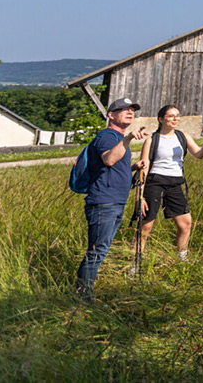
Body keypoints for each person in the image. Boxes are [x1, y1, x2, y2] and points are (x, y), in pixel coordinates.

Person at [75, 97, 147, 302]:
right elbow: (109, 159)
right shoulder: (108, 136)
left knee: (100, 249)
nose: (130, 112)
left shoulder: (117, 137)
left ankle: (82, 292)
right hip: (104, 202)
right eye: (123, 109)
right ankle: (83, 296)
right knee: (97, 250)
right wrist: (127, 139)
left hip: (113, 201)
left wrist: (133, 167)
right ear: (111, 115)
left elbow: (113, 166)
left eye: (132, 109)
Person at [133, 104, 203, 262]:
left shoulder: (183, 137)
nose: (175, 119)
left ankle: (182, 259)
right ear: (161, 119)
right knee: (146, 226)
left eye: (177, 116)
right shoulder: (152, 140)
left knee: (186, 224)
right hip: (154, 183)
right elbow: (143, 169)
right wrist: (139, 197)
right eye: (171, 116)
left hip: (175, 184)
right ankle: (135, 261)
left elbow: (199, 155)